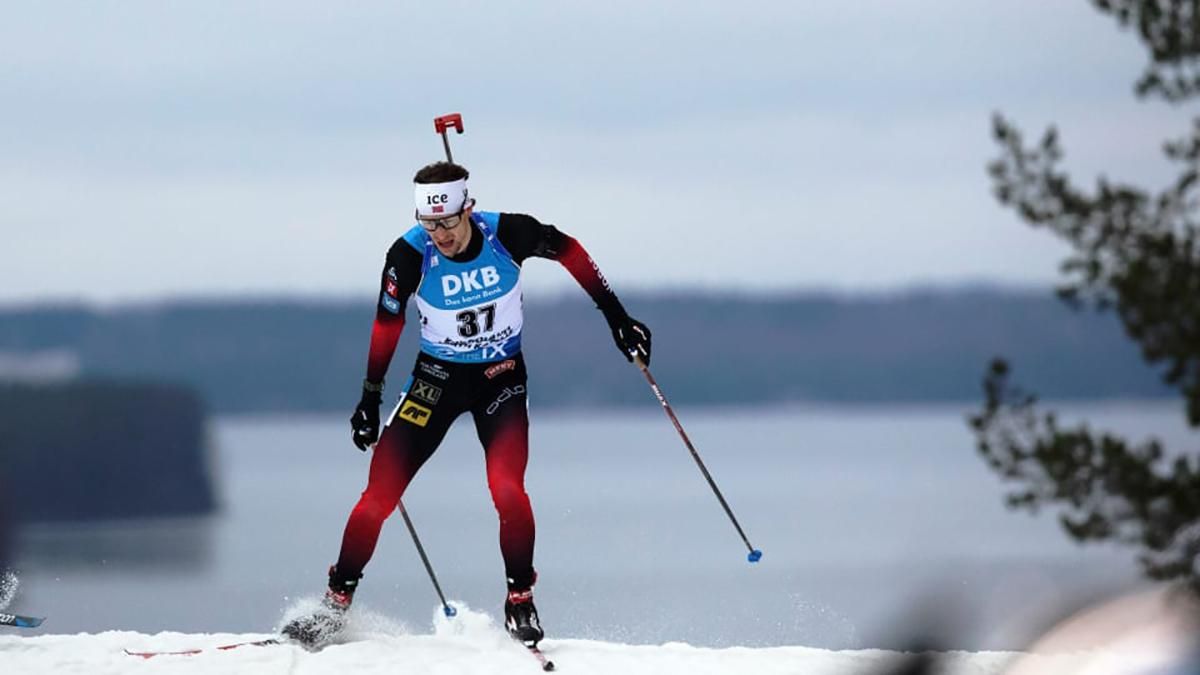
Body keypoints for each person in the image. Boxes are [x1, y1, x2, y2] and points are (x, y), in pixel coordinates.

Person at [283, 161, 652, 648]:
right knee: (378, 497)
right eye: (428, 224)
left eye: (448, 222)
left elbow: (570, 250)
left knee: (507, 489)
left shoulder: (508, 234)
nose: (440, 235)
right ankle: (335, 607)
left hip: (500, 379)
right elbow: (386, 326)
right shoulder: (408, 255)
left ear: (468, 209)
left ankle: (520, 600)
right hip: (435, 382)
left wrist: (617, 318)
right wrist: (370, 397)